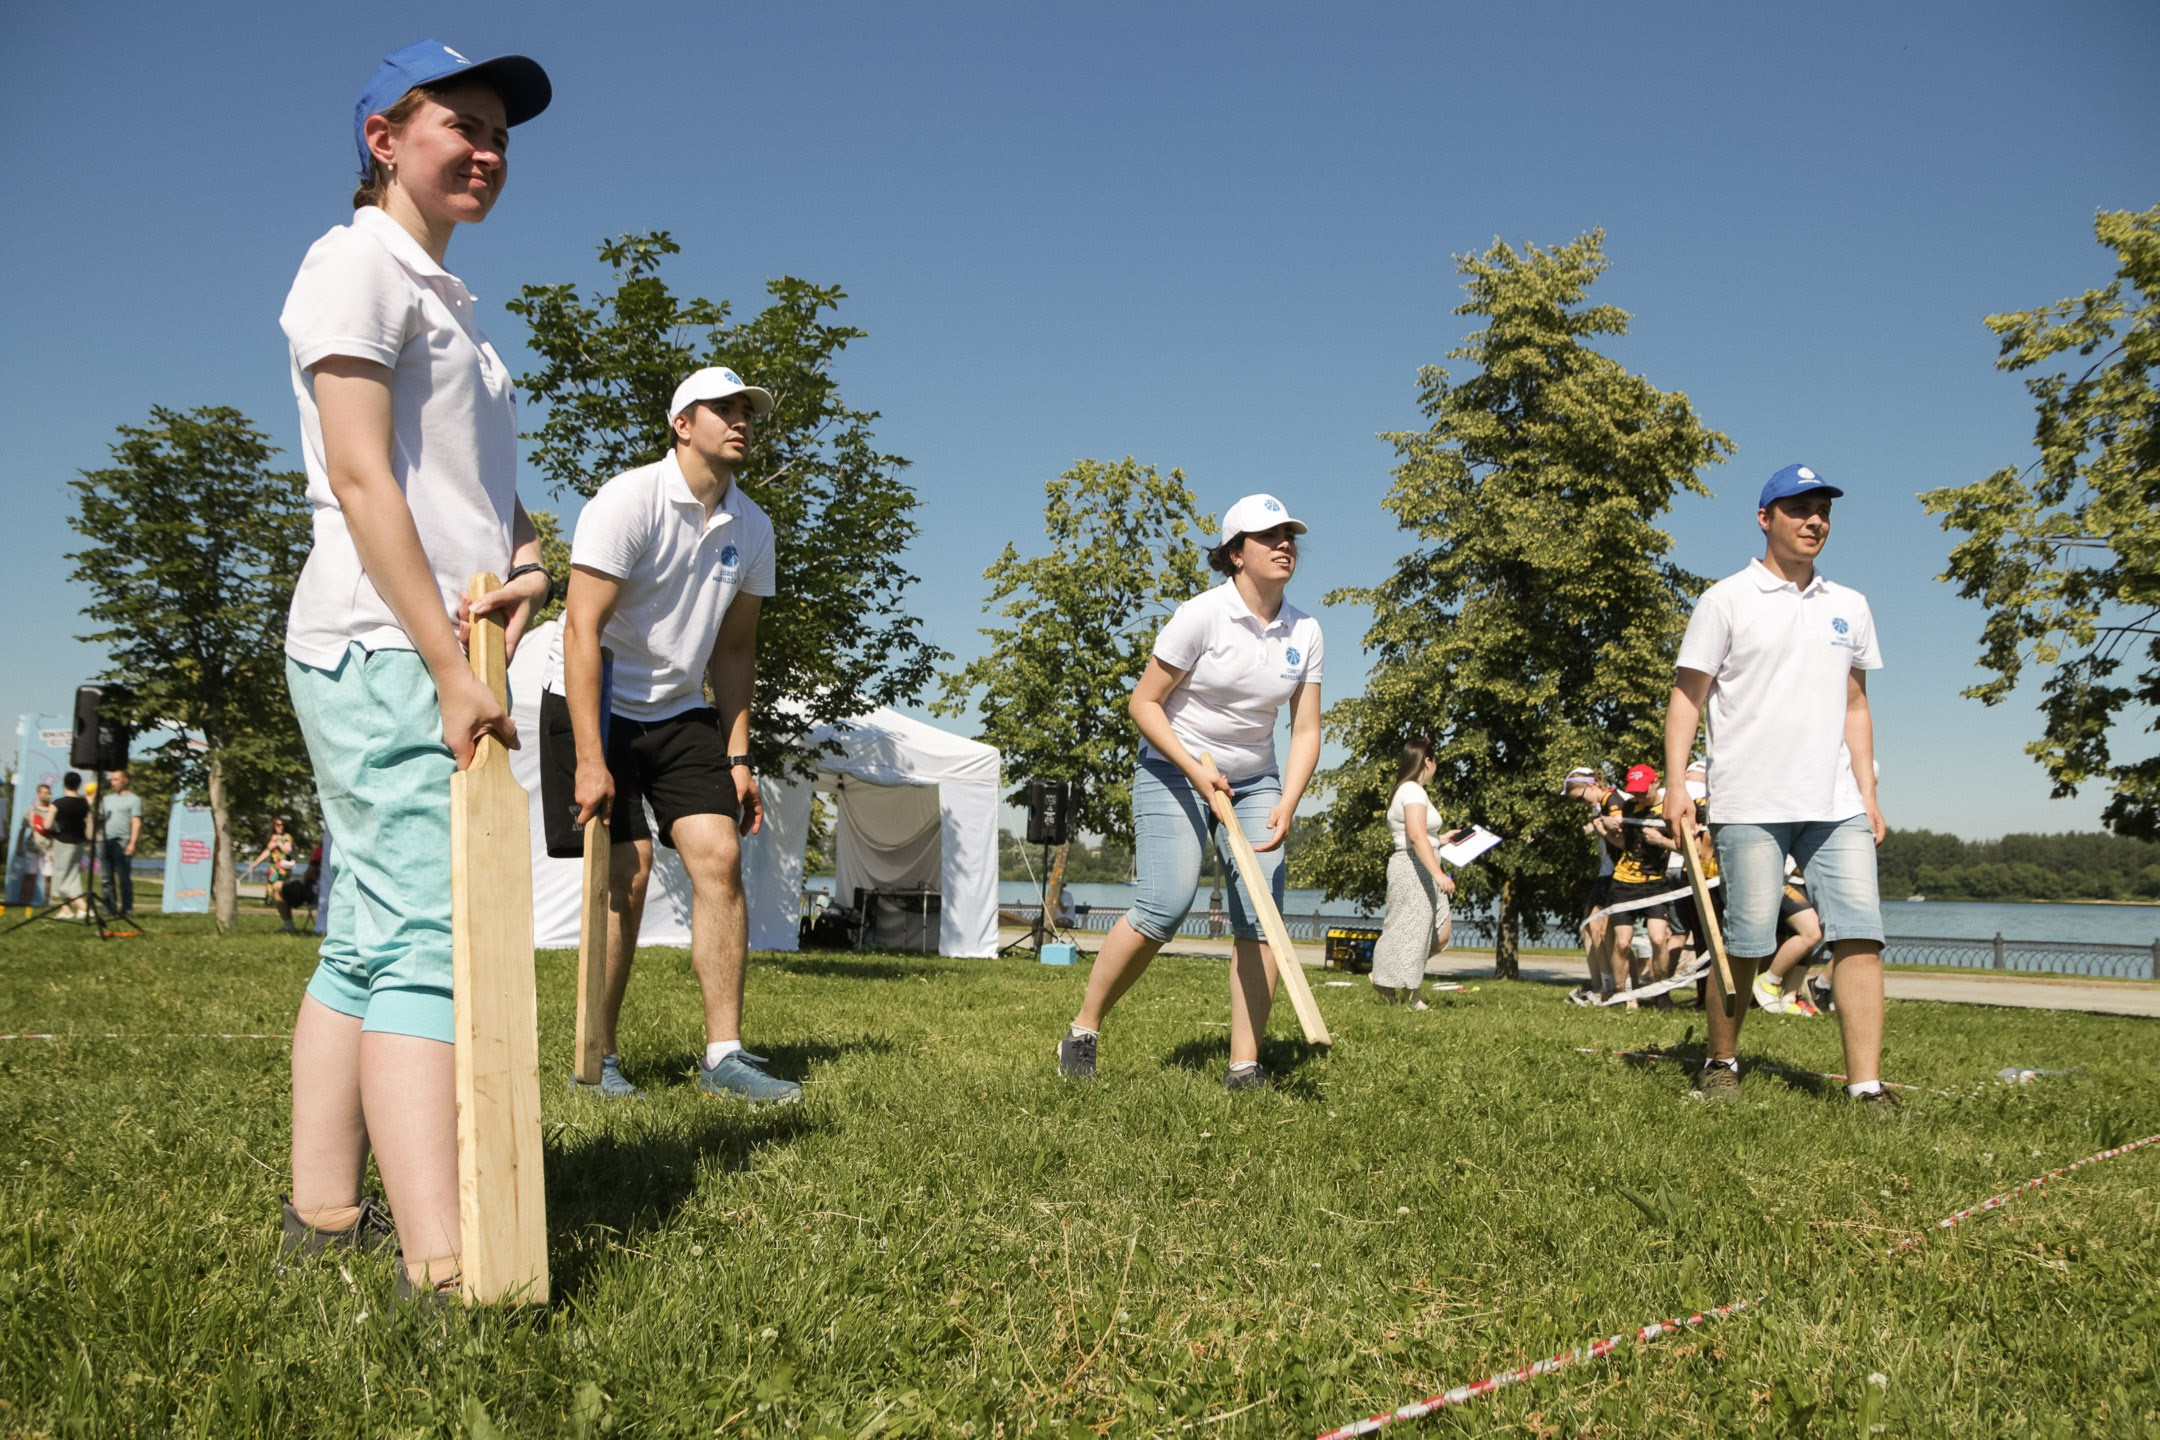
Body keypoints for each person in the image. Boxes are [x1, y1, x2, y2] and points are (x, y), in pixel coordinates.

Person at [277, 38, 554, 1300]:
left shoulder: (451, 305)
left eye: (500, 130)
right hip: (386, 644)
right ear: (384, 138)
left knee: (365, 938)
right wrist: (450, 666)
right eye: (462, 122)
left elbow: (486, 509)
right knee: (427, 939)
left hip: (431, 638)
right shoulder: (355, 265)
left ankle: (326, 1214)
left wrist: (528, 570)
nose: (487, 147)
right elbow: (355, 475)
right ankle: (449, 1266)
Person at [540, 366, 793, 1104]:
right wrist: (591, 757)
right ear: (683, 423)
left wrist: (738, 752)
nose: (741, 419)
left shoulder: (753, 527)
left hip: (680, 709)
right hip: (596, 696)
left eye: (748, 410)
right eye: (724, 408)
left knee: (719, 856)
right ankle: (598, 1057)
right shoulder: (629, 500)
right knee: (629, 872)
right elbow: (581, 627)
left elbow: (736, 648)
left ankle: (725, 1058)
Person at [1058, 494, 1323, 1089]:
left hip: (1256, 780)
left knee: (1261, 917)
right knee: (1165, 903)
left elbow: (1305, 729)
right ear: (1235, 554)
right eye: (1268, 536)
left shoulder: (1304, 630)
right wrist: (1194, 769)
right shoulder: (1200, 615)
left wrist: (1288, 801)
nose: (1285, 545)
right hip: (1175, 765)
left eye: (1289, 535)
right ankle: (1083, 1029)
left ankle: (1244, 1065)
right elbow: (1143, 704)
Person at [1663, 463, 1893, 1106]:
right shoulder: (1725, 599)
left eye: (1822, 509)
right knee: (1747, 938)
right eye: (1799, 508)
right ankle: (1722, 1063)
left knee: (1859, 934)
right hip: (1751, 801)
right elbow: (1687, 699)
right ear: (1766, 519)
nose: (1814, 519)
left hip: (1836, 801)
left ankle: (1866, 1086)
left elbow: (1855, 705)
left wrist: (1869, 795)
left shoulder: (1851, 606)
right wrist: (1677, 785)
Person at [1370, 737, 1458, 1006]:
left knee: (1439, 934)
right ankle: (1408, 994)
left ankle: (1387, 976)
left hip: (1419, 860)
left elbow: (1422, 835)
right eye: (1435, 762)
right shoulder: (1413, 791)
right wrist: (1438, 874)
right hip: (1413, 866)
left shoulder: (1410, 791)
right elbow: (1416, 836)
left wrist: (1442, 839)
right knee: (1409, 929)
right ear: (1427, 761)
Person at [1602, 765, 1678, 1005]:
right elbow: (1624, 843)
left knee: (1658, 939)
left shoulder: (1668, 810)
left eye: (1643, 791)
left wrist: (1661, 840)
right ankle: (1620, 993)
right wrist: (1607, 827)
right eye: (1634, 792)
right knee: (1622, 942)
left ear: (1656, 783)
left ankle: (1661, 992)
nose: (1639, 796)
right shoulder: (1628, 807)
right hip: (1623, 882)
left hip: (1655, 884)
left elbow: (1685, 847)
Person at [98, 768, 144, 917]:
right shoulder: (107, 799)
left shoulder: (134, 800)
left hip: (122, 841)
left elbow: (136, 822)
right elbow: (99, 819)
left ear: (126, 780)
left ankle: (126, 909)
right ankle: (109, 908)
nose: (113, 782)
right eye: (112, 779)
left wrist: (132, 843)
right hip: (105, 841)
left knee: (124, 878)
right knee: (106, 878)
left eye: (116, 779)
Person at [47, 773, 92, 920]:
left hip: (63, 842)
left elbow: (47, 825)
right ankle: (65, 910)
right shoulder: (85, 803)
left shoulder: (58, 803)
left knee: (61, 877)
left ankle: (83, 907)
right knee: (72, 875)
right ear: (79, 785)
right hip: (79, 842)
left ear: (64, 784)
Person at [279, 842, 326, 935]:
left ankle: (288, 926)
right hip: (337, 894)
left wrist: (301, 881)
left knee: (277, 886)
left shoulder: (322, 849)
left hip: (317, 893)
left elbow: (308, 874)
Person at [249, 816, 297, 899]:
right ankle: (271, 903)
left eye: (282, 825)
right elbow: (267, 851)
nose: (281, 827)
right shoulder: (273, 837)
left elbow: (288, 851)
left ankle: (282, 904)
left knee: (279, 887)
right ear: (274, 826)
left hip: (283, 867)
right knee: (270, 886)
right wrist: (256, 863)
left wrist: (279, 842)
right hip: (273, 867)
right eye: (278, 825)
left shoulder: (286, 837)